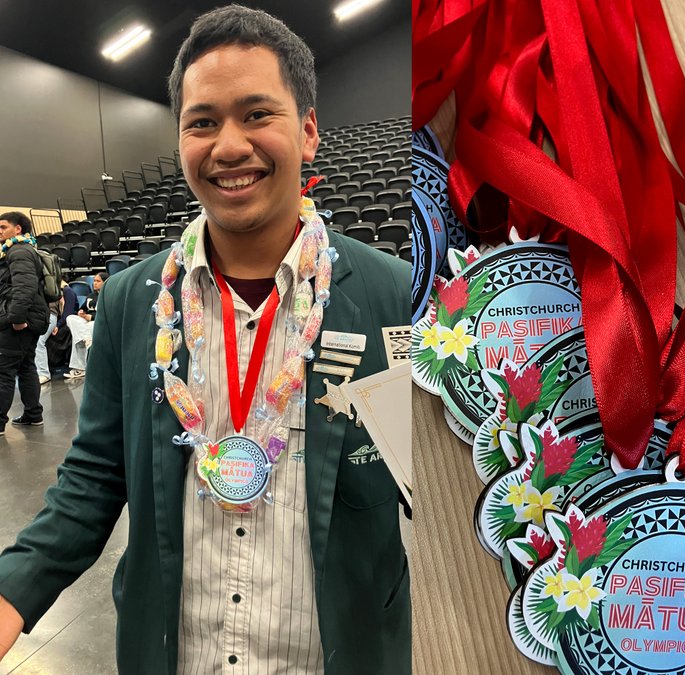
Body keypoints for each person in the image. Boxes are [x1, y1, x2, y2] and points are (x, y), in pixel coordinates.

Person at [0, 6, 411, 674]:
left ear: (308, 132)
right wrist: (11, 592)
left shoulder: (397, 295)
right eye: (202, 122)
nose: (227, 145)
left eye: (257, 114)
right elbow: (95, 476)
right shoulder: (133, 302)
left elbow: (444, 491)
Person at [0, 212, 49, 433]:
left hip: (20, 321)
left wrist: (17, 319)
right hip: (33, 318)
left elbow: (24, 287)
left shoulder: (18, 251)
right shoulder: (24, 249)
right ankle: (33, 414)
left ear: (18, 229)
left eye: (3, 227)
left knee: (4, 371)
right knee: (26, 367)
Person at [62, 271, 104, 380]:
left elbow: (109, 313)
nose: (95, 283)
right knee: (70, 318)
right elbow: (83, 308)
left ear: (105, 283)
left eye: (98, 281)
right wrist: (81, 312)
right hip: (86, 322)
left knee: (86, 329)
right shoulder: (91, 295)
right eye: (94, 281)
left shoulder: (108, 296)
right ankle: (86, 339)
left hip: (98, 322)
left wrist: (91, 317)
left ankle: (79, 368)